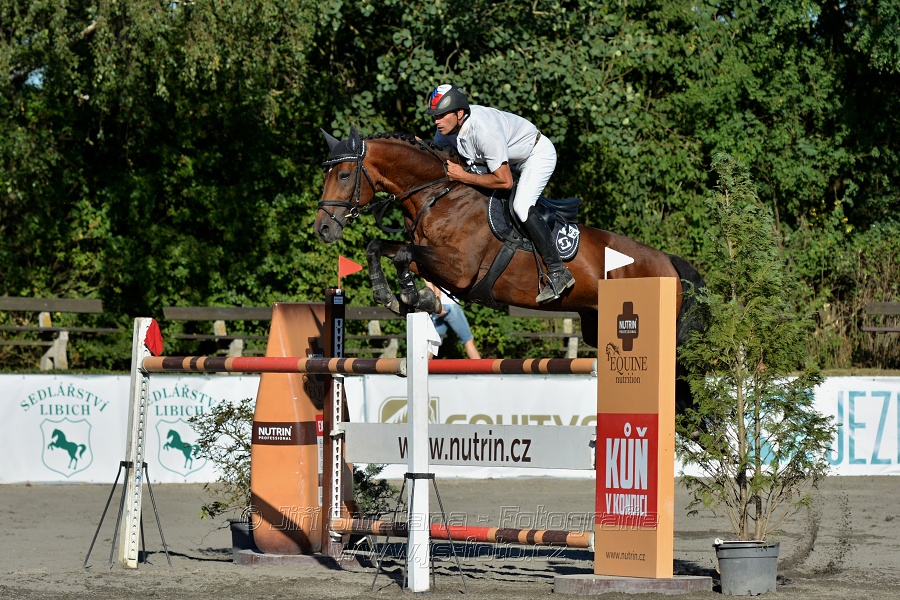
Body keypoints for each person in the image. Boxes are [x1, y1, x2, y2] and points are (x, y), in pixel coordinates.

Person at [425, 83, 574, 303]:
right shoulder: (446, 130)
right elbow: (440, 156)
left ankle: (558, 272)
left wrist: (463, 176)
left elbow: (504, 181)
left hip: (535, 155)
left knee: (520, 207)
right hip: (504, 161)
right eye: (435, 115)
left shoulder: (484, 130)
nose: (437, 121)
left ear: (459, 113)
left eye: (441, 115)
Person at [424, 280, 481, 359]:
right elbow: (438, 287)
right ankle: (480, 369)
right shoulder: (441, 267)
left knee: (433, 342)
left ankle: (422, 368)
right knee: (468, 339)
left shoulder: (424, 269)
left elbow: (429, 286)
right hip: (449, 306)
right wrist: (438, 303)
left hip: (437, 306)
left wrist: (435, 305)